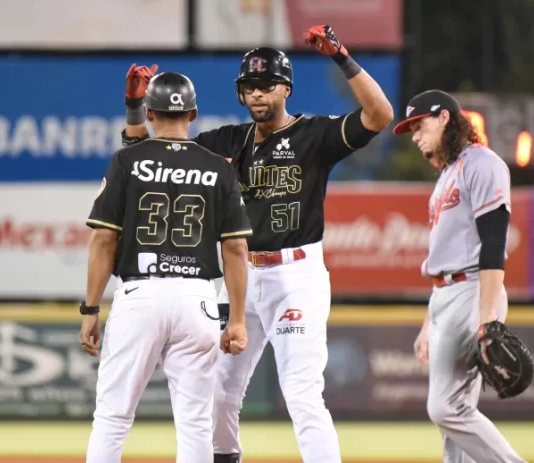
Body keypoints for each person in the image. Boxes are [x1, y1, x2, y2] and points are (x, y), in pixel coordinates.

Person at [121, 25, 394, 463]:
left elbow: (380, 115)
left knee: (302, 393)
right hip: (240, 277)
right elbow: (147, 163)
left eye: (266, 85)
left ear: (286, 88)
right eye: (249, 86)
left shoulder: (314, 136)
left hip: (295, 275)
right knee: (217, 392)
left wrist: (341, 55)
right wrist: (136, 107)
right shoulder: (226, 141)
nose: (257, 94)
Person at [80, 72, 252, 463]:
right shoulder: (218, 167)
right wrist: (237, 319)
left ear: (150, 113)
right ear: (192, 113)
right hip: (198, 298)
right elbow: (237, 248)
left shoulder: (127, 160)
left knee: (112, 416)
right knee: (195, 423)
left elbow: (103, 240)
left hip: (140, 294)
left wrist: (91, 309)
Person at [393, 89, 526, 463]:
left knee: (445, 408)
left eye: (419, 125)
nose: (415, 135)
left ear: (445, 118)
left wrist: (486, 320)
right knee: (453, 420)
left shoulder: (483, 163)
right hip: (446, 296)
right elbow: (442, 260)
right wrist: (428, 323)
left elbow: (494, 243)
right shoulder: (448, 176)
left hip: (473, 292)